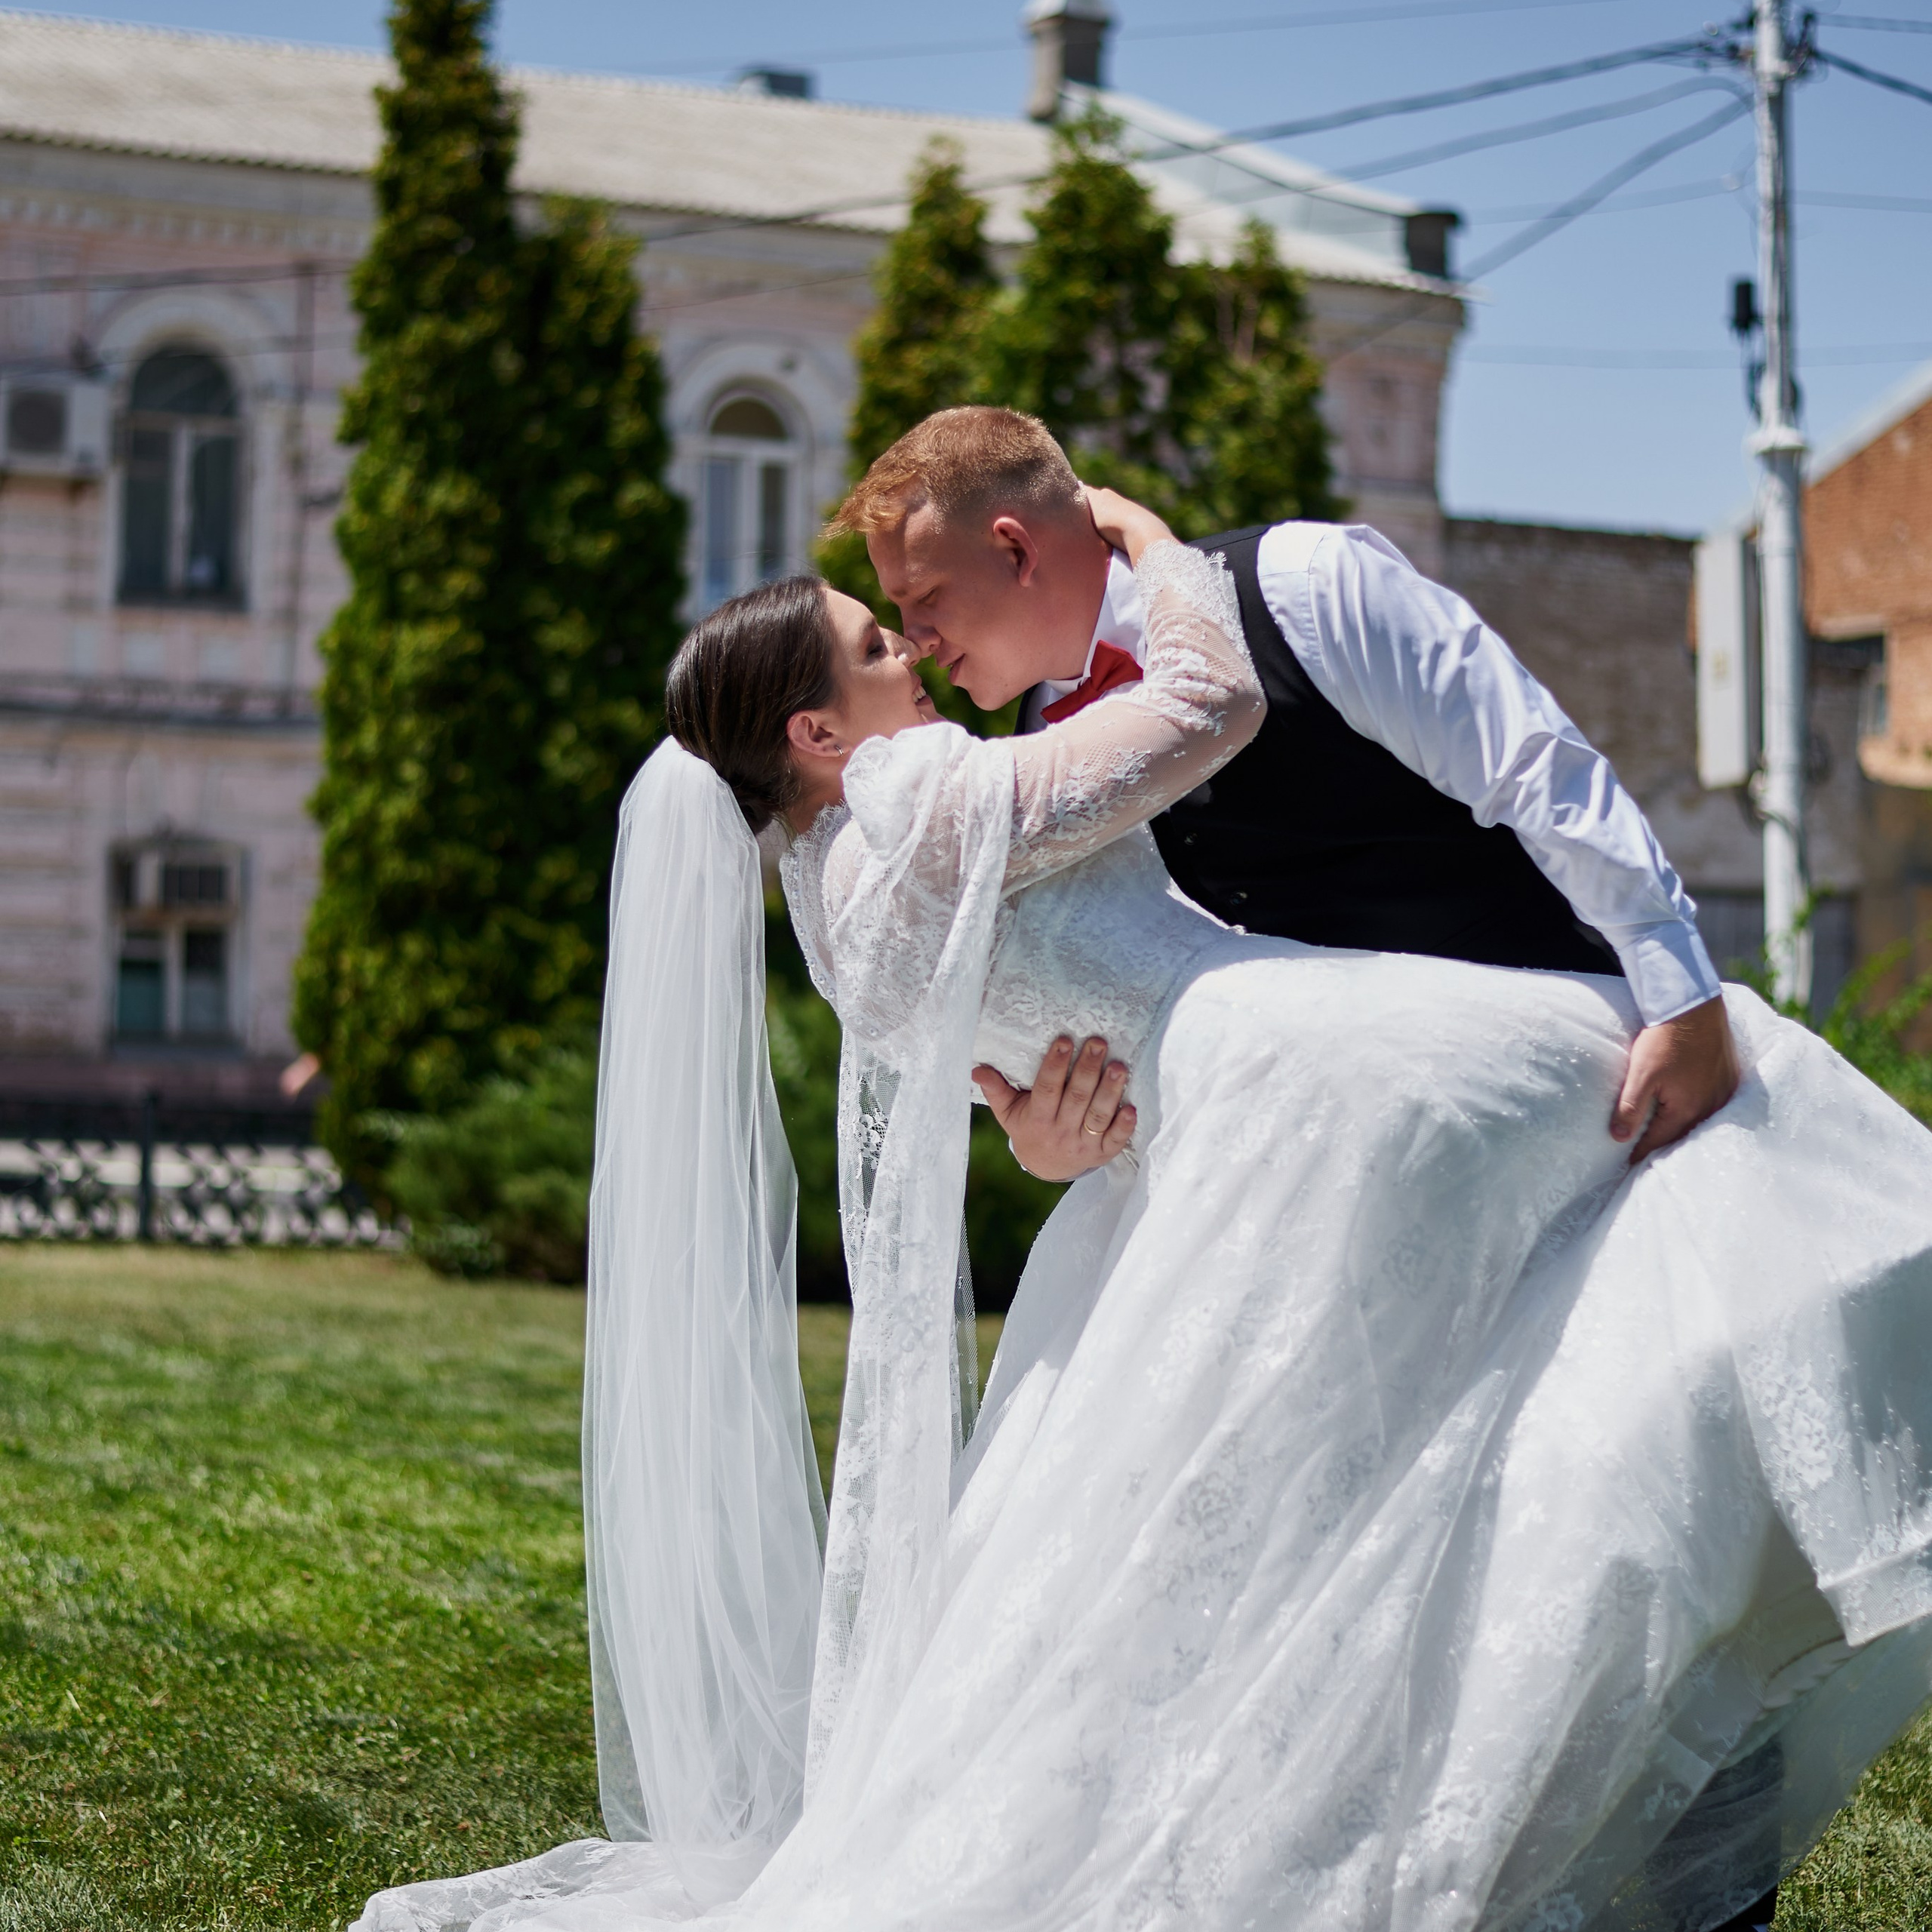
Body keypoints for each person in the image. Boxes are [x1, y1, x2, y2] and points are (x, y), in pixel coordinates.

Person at [356, 487, 1932, 1932]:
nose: (903, 643)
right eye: (865, 637)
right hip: (1293, 1063)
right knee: (1680, 1119)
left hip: (1199, 1132)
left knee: (1360, 1458)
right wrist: (1156, 544)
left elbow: (1019, 1079)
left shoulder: (833, 906)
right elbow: (1207, 702)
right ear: (817, 729)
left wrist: (1049, 1136)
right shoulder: (915, 793)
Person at [832, 406, 1738, 1187]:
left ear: (1014, 548)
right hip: (1319, 1174)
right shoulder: (1031, 761)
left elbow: (1534, 766)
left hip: (1572, 1085)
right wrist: (1042, 1139)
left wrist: (1682, 997)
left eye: (923, 600)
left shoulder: (1303, 584)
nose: (912, 643)